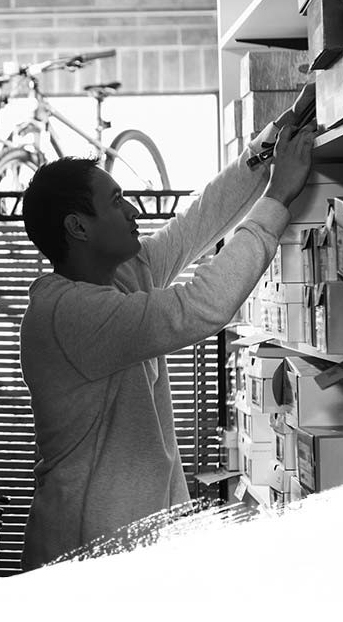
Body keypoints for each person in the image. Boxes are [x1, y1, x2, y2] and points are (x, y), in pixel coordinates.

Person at [18, 85, 317, 572]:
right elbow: (200, 306)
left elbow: (197, 223)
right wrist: (278, 197)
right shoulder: (71, 314)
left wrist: (268, 147)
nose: (133, 211)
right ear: (78, 227)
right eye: (116, 202)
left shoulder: (118, 277)